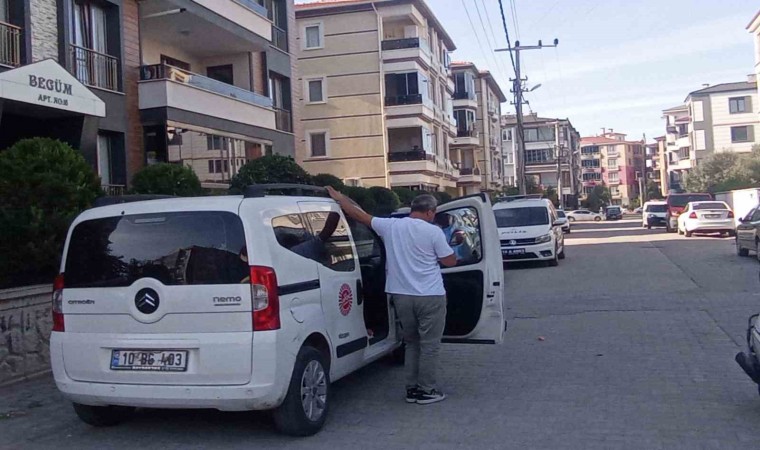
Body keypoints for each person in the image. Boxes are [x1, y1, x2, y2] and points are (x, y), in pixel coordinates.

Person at [326, 186, 456, 405]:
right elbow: (449, 261)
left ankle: (412, 389)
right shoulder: (433, 231)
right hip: (430, 295)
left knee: (411, 342)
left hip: (401, 295)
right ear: (430, 212)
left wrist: (339, 197)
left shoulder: (391, 225)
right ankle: (427, 390)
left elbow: (359, 214)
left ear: (412, 209)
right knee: (430, 345)